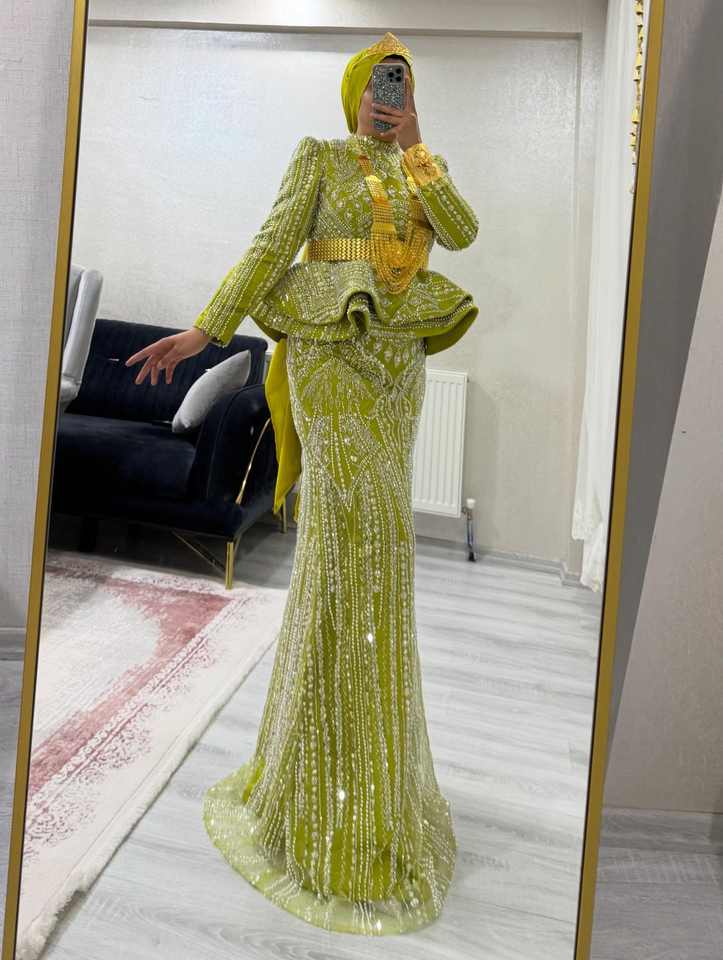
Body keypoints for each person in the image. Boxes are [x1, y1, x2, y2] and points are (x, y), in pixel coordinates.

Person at [125, 31, 479, 936]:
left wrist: (417, 149)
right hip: (326, 358)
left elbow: (463, 233)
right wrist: (206, 330)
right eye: (377, 83)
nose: (387, 97)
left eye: (401, 85)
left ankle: (362, 777)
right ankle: (320, 783)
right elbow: (272, 242)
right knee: (352, 540)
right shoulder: (317, 156)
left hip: (398, 369)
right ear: (354, 90)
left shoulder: (421, 171)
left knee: (379, 554)